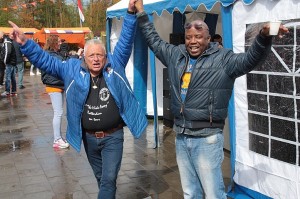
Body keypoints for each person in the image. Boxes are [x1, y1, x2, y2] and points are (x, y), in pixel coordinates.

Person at [134, 0, 289, 198]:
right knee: (190, 193)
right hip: (182, 136)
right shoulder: (176, 55)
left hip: (206, 138)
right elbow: (153, 40)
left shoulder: (223, 59)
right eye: (189, 37)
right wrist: (141, 12)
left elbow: (250, 60)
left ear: (208, 39)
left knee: (214, 194)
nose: (193, 41)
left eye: (198, 37)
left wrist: (263, 38)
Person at [9, 0, 147, 198]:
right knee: (102, 180)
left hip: (113, 137)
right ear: (84, 57)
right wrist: (25, 43)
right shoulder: (71, 69)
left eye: (100, 55)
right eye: (92, 55)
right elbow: (46, 61)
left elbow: (125, 41)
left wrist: (131, 13)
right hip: (89, 138)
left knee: (108, 181)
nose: (96, 59)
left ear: (106, 57)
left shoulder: (114, 65)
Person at [41, 35, 69, 149]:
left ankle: (59, 137)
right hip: (54, 85)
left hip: (57, 85)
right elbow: (63, 63)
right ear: (54, 43)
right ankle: (56, 139)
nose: (60, 43)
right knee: (58, 113)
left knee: (59, 112)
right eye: (58, 42)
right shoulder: (51, 55)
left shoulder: (50, 54)